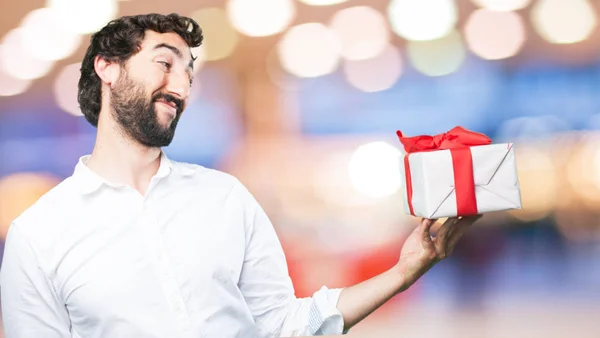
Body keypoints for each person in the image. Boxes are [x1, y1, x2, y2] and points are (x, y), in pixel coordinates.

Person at [0, 13, 482, 338]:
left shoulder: (224, 198)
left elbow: (285, 324)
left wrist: (403, 272)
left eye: (189, 72)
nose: (180, 86)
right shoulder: (40, 235)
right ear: (107, 68)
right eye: (165, 63)